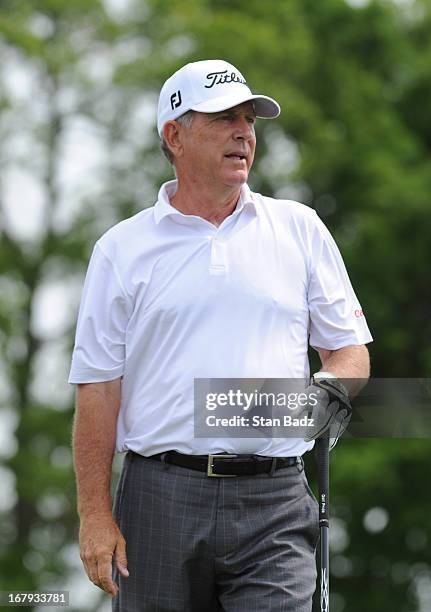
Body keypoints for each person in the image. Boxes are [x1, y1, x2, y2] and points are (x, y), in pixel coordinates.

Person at [69, 59, 372, 611]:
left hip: (275, 500)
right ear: (175, 136)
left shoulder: (299, 228)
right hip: (159, 499)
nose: (244, 132)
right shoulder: (121, 248)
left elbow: (349, 350)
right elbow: (98, 387)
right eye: (224, 118)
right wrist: (94, 515)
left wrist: (329, 387)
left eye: (250, 120)